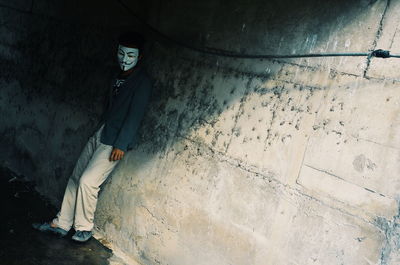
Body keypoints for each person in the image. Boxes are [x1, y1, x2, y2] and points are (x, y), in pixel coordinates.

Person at [33, 32, 152, 242]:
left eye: (131, 55)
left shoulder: (142, 82)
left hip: (115, 140)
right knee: (75, 178)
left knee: (88, 181)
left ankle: (84, 228)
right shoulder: (116, 75)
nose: (125, 59)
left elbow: (135, 116)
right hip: (101, 132)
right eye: (121, 53)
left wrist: (121, 144)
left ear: (139, 57)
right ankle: (61, 224)